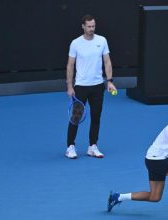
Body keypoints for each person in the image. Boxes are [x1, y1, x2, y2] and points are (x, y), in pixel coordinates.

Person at [65, 14, 116, 159]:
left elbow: (107, 62)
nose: (91, 29)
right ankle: (70, 147)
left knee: (96, 117)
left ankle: (92, 146)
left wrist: (110, 81)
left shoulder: (102, 41)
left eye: (93, 26)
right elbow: (70, 65)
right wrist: (70, 86)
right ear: (83, 26)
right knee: (76, 117)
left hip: (98, 86)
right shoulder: (75, 43)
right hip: (80, 86)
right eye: (89, 26)